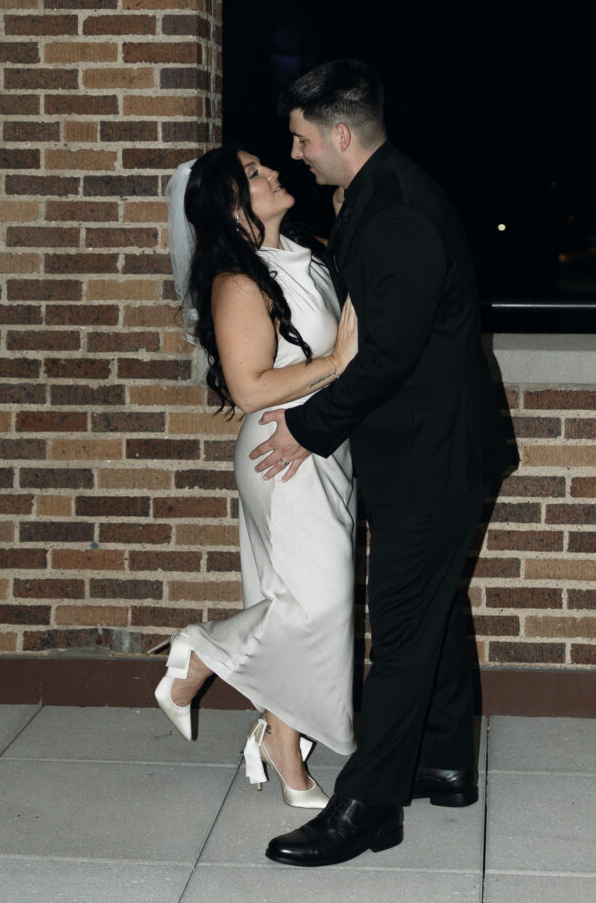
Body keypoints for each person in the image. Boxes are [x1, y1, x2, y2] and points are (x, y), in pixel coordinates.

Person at [250, 59, 513, 865]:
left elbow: (386, 356)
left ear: (338, 133)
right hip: (433, 446)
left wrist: (306, 428)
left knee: (398, 627)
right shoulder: (370, 193)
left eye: (299, 139)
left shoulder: (395, 209)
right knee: (433, 604)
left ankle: (368, 806)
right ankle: (442, 762)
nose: (293, 153)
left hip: (431, 455)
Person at [152, 146, 359, 809]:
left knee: (290, 600)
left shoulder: (308, 256)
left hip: (324, 447)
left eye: (266, 167)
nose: (273, 173)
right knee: (317, 605)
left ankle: (285, 755)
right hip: (281, 451)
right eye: (254, 176)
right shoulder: (239, 282)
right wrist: (338, 359)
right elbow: (249, 389)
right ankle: (201, 655)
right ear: (229, 208)